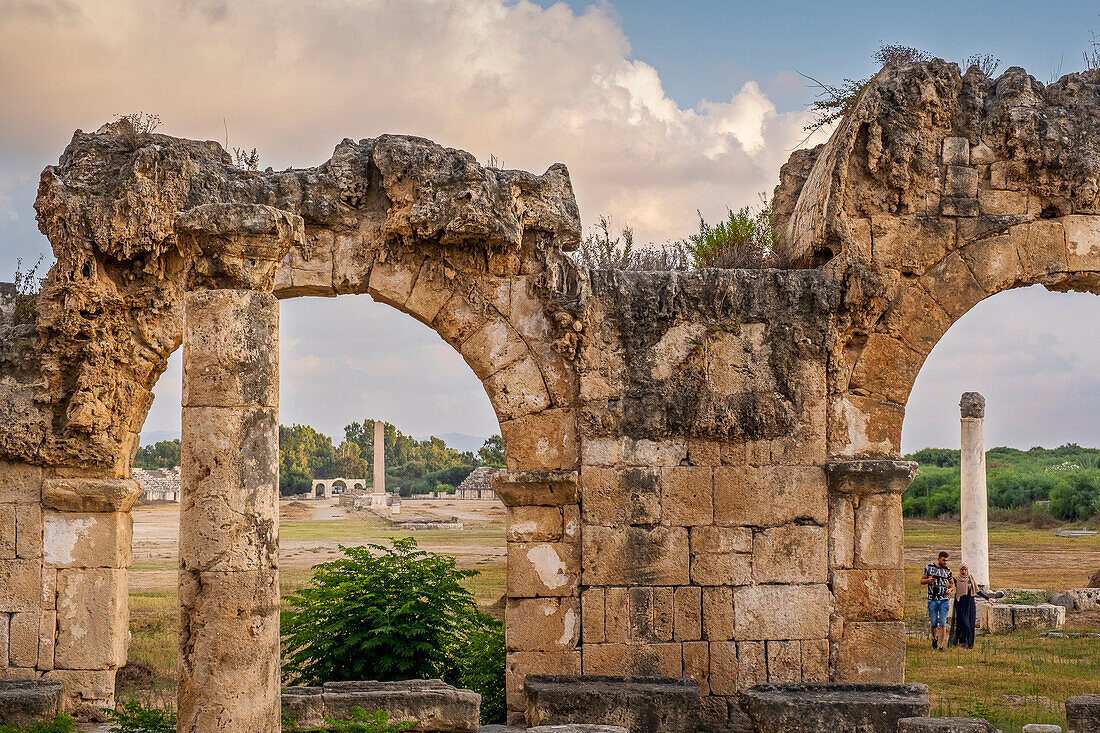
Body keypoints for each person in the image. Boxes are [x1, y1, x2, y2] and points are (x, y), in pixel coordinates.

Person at [921, 550, 954, 650]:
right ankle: (934, 638)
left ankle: (940, 646)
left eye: (947, 561)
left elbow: (952, 583)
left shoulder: (947, 570)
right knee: (934, 623)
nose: (945, 562)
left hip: (944, 600)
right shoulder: (929, 567)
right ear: (939, 558)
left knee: (943, 623)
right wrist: (928, 580)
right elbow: (921, 581)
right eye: (943, 560)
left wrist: (950, 589)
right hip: (932, 600)